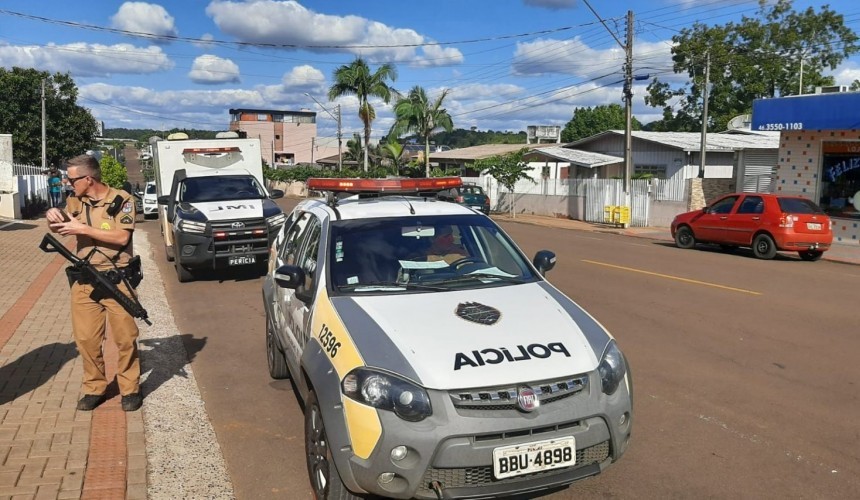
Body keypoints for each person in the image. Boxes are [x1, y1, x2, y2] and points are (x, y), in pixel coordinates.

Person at [45, 154, 143, 412]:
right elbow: (61, 227)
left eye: (72, 179)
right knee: (86, 340)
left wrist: (83, 230)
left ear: (88, 179)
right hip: (85, 279)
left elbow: (122, 237)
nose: (68, 183)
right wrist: (52, 215)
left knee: (125, 339)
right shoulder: (75, 201)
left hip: (117, 278)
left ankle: (130, 389)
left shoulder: (122, 200)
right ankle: (95, 388)